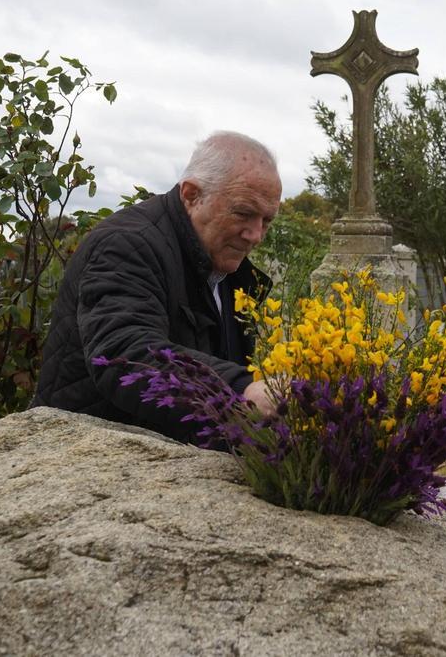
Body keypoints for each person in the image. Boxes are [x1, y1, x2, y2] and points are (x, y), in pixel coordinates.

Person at [33, 131, 281, 443]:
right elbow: (126, 354)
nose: (256, 235)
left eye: (266, 221)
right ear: (191, 195)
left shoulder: (224, 265)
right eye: (243, 213)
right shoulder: (126, 245)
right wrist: (242, 390)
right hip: (88, 453)